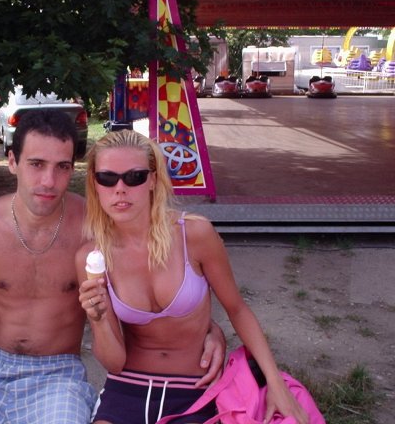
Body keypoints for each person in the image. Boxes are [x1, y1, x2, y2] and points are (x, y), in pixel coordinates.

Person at [0, 110, 226, 424]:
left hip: (58, 373)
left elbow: (158, 283)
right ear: (12, 162)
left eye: (62, 167)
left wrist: (209, 330)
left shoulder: (96, 228)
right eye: (36, 164)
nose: (48, 181)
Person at [77, 129, 310, 424]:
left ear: (152, 180)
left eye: (134, 177)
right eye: (107, 178)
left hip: (195, 387)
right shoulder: (92, 257)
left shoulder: (194, 235)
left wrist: (275, 382)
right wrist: (97, 319)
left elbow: (237, 309)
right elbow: (114, 362)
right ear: (95, 183)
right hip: (127, 386)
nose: (120, 189)